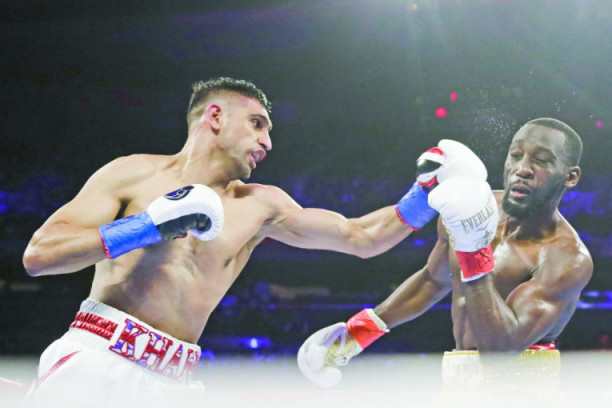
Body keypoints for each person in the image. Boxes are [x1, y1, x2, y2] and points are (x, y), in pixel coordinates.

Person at [21, 77, 484, 406]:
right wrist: (148, 226)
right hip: (98, 358)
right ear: (215, 117)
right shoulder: (132, 173)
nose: (267, 142)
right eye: (257, 124)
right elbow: (40, 256)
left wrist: (426, 193)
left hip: (173, 382)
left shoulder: (261, 205)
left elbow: (361, 236)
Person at [298, 118, 593, 393]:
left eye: (541, 160)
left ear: (570, 176)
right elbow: (433, 280)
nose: (522, 168)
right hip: (458, 376)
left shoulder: (567, 258)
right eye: (516, 155)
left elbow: (500, 350)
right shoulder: (473, 207)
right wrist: (357, 334)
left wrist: (474, 250)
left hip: (523, 388)